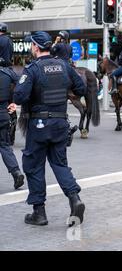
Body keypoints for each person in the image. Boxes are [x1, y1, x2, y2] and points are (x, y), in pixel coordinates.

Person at [13, 31, 86, 226]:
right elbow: (81, 89)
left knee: (33, 166)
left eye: (31, 45)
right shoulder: (64, 66)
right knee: (60, 164)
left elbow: (19, 97)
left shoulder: (32, 69)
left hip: (39, 126)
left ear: (36, 47)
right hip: (60, 124)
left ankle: (39, 212)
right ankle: (74, 199)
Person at [0, 63, 24, 190]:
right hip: (3, 114)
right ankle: (16, 172)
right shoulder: (7, 73)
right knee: (4, 146)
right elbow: (22, 83)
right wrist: (14, 101)